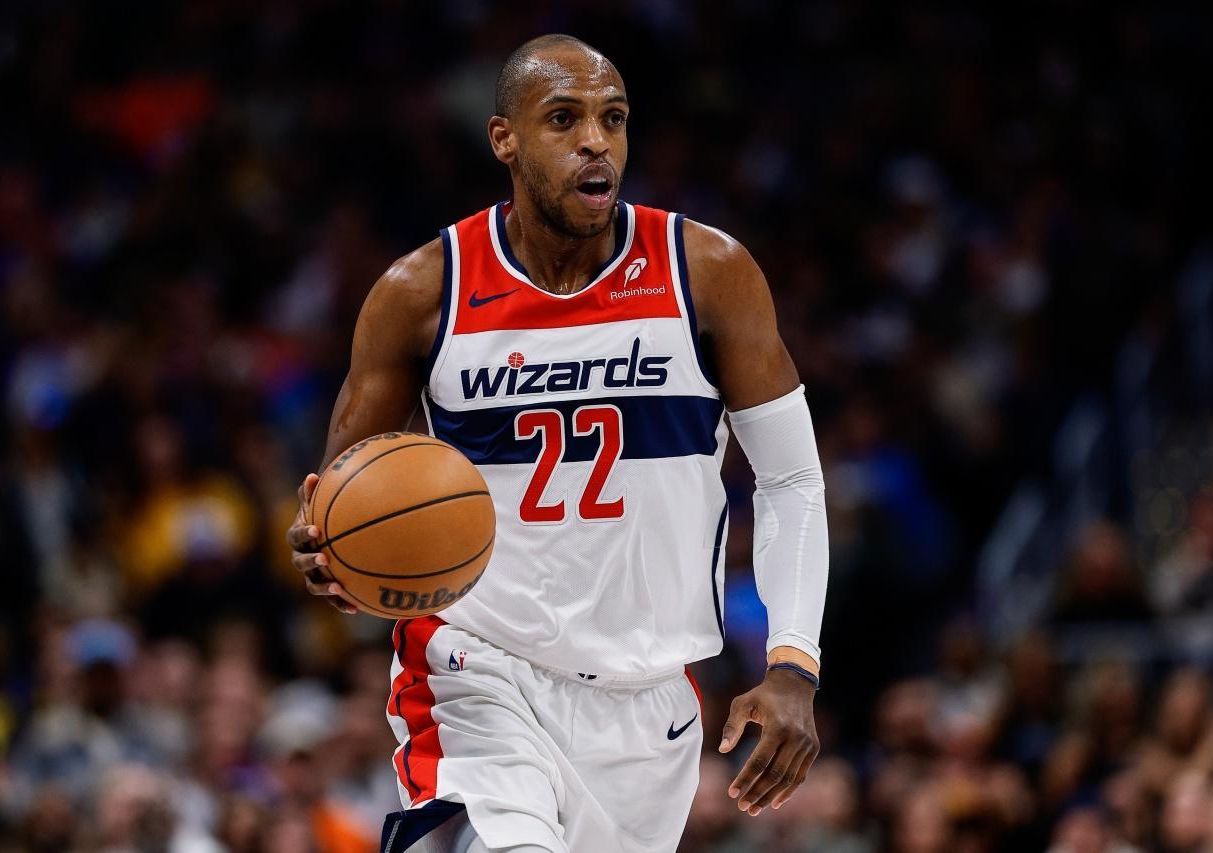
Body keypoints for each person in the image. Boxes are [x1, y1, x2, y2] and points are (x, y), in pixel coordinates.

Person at [287, 34, 829, 853]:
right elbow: (339, 498)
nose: (595, 141)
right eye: (565, 118)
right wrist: (329, 550)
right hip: (478, 670)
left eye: (614, 118)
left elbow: (790, 478)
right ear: (504, 139)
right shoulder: (423, 291)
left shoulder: (708, 273)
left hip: (650, 697)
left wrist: (794, 662)